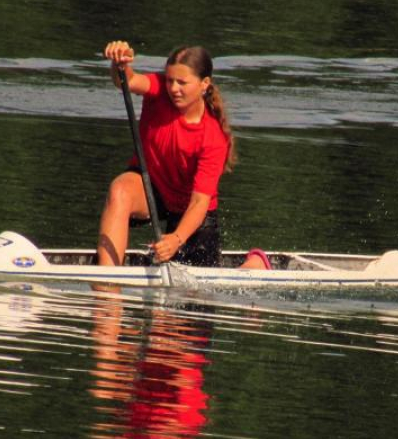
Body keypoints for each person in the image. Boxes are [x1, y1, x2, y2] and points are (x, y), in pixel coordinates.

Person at [97, 40, 269, 270]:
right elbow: (127, 81)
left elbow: (199, 201)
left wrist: (176, 239)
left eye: (182, 82)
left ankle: (255, 264)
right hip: (153, 191)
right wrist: (120, 63)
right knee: (120, 190)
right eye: (169, 80)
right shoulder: (159, 91)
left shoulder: (213, 136)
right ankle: (107, 287)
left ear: (204, 84)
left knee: (197, 294)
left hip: (192, 213)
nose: (173, 89)